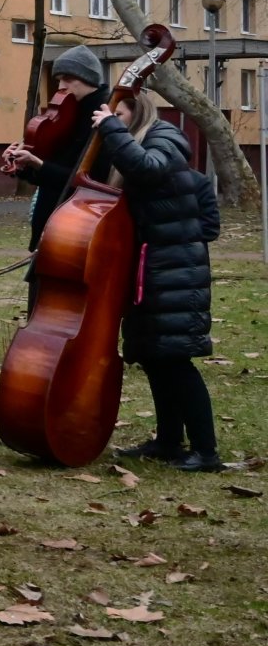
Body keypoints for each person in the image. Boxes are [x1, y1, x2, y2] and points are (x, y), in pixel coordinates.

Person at [99, 93, 223, 471]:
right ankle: (169, 441)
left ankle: (206, 452)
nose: (111, 118)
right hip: (152, 272)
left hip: (174, 273)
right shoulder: (134, 146)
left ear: (136, 112)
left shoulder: (163, 139)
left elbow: (149, 169)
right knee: (156, 357)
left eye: (118, 113)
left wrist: (111, 128)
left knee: (176, 362)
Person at [3, 45, 111, 249]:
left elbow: (88, 180)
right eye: (59, 79)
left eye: (68, 79)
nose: (61, 86)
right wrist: (23, 164)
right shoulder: (66, 114)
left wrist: (39, 165)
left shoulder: (103, 119)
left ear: (88, 79)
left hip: (78, 225)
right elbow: (48, 177)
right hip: (51, 223)